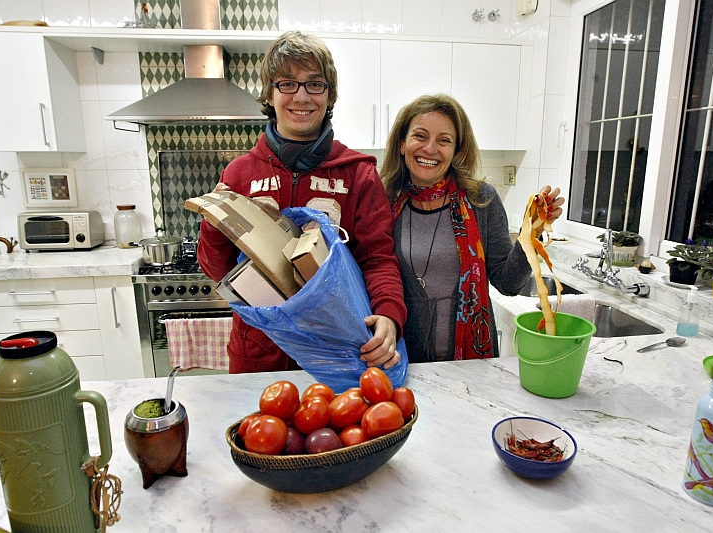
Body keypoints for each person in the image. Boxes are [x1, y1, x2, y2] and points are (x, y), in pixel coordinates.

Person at [198, 31, 406, 373]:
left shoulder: (358, 175)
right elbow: (219, 271)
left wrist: (388, 314)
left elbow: (378, 258)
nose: (302, 97)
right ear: (270, 93)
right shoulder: (239, 174)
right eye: (288, 84)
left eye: (315, 84)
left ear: (329, 94)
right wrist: (214, 220)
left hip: (339, 353)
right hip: (258, 356)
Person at [380, 94, 564, 362]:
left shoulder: (481, 200)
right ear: (401, 143)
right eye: (420, 136)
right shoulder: (385, 201)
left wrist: (530, 234)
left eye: (444, 140)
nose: (430, 149)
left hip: (471, 362)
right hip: (401, 359)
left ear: (456, 150)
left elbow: (508, 283)